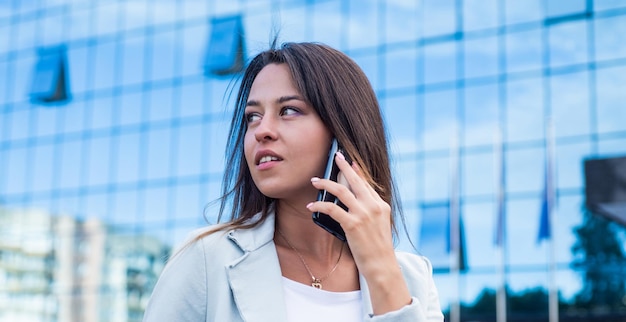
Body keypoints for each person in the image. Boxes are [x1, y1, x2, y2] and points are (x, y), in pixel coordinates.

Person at [142, 41, 443, 322]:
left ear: (343, 135)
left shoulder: (413, 278)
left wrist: (382, 274)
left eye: (288, 110)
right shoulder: (207, 260)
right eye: (252, 117)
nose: (263, 131)